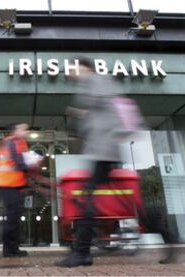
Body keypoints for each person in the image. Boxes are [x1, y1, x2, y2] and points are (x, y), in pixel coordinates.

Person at [56, 58, 130, 267]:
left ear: (85, 67)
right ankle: (164, 231)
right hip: (103, 149)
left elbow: (108, 107)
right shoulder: (94, 84)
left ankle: (82, 253)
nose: (70, 72)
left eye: (73, 68)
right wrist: (79, 114)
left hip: (105, 149)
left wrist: (81, 109)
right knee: (114, 200)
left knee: (88, 198)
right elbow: (100, 110)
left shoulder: (96, 81)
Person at [0, 123, 31, 257]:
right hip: (8, 183)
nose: (26, 131)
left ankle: (11, 248)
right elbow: (19, 162)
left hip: (10, 183)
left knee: (13, 216)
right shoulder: (13, 142)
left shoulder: (14, 142)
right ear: (15, 131)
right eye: (23, 129)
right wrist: (33, 163)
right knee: (13, 217)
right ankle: (10, 250)